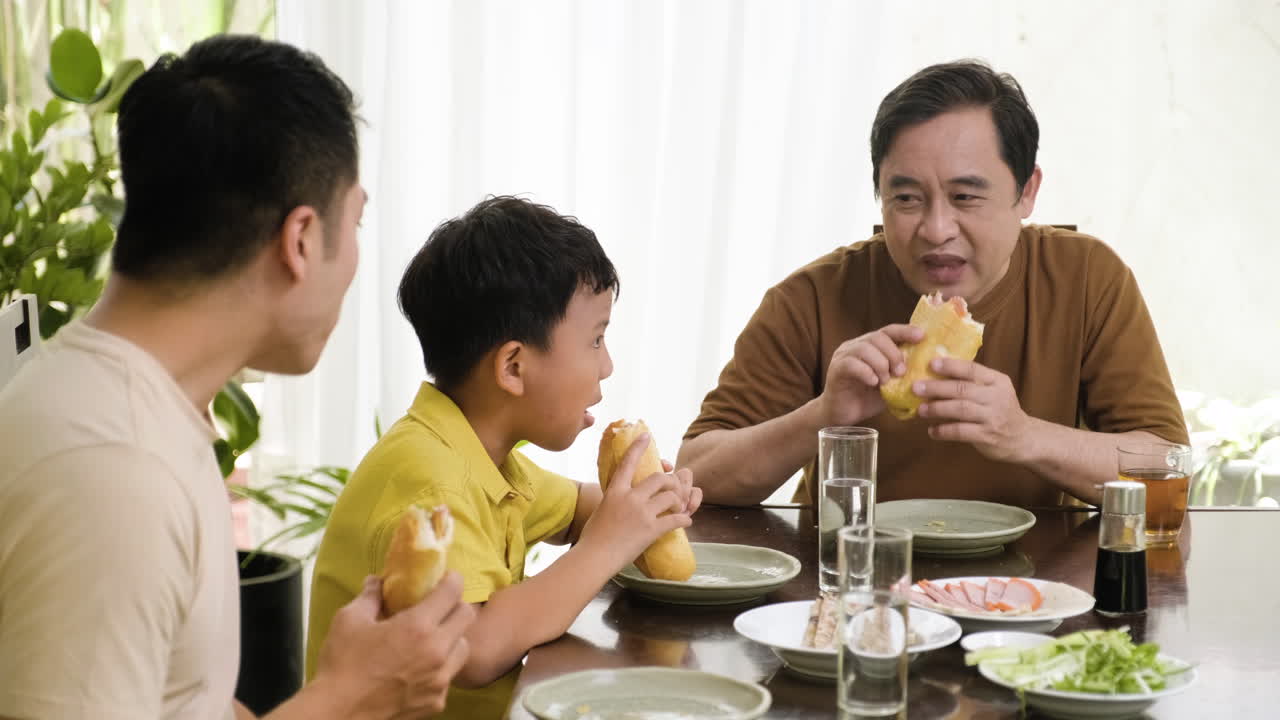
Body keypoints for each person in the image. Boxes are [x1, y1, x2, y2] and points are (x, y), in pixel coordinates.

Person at [0, 35, 473, 720]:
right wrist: (349, 700)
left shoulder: (142, 411)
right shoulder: (114, 468)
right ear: (302, 240)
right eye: (358, 219)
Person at [677, 59, 1187, 509]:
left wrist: (1024, 435)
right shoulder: (813, 296)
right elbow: (696, 471)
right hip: (850, 583)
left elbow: (1170, 464)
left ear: (1027, 192)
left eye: (965, 197)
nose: (936, 229)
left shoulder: (1088, 278)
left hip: (1037, 591)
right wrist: (824, 416)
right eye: (906, 199)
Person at [306, 196, 700, 719]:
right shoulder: (432, 481)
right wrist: (610, 542)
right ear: (513, 367)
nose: (607, 366)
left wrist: (646, 507)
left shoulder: (486, 457)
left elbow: (585, 509)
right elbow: (475, 648)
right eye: (596, 340)